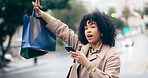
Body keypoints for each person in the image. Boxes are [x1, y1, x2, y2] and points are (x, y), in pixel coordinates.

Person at [32, 0, 120, 78]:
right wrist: (42, 14)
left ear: (102, 30)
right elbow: (62, 29)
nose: (88, 31)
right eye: (86, 28)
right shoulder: (81, 46)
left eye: (92, 27)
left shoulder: (111, 55)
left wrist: (86, 63)